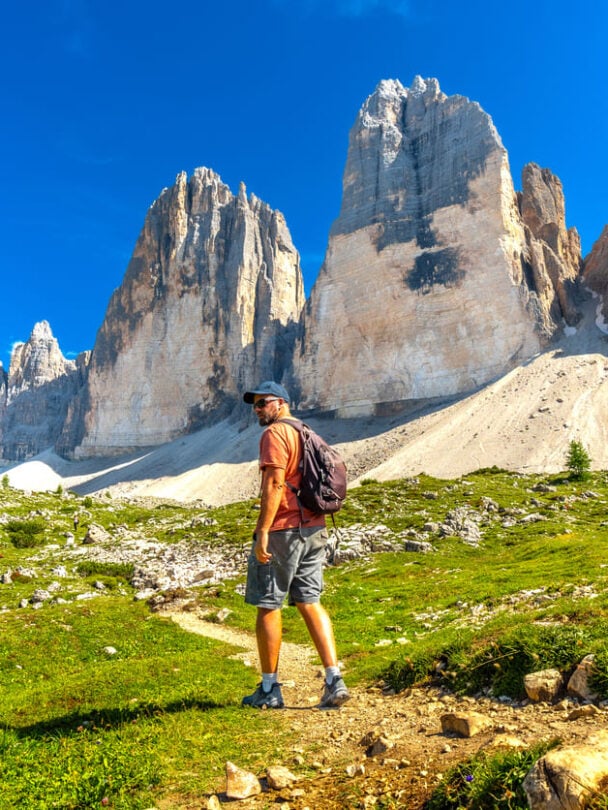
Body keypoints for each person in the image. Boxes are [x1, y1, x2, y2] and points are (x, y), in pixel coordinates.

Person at [241, 380, 349, 710]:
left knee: (268, 604)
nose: (257, 410)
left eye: (263, 404)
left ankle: (269, 689)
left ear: (281, 403)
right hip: (315, 528)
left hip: (284, 531)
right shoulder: (305, 431)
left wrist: (263, 531)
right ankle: (334, 680)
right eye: (255, 405)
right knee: (310, 601)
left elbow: (274, 484)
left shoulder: (275, 434)